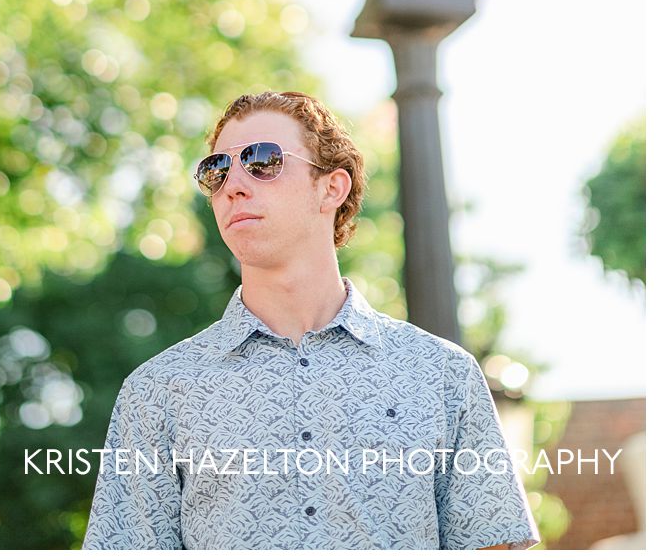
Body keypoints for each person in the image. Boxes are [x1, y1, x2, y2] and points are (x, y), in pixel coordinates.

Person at [82, 90, 538, 550]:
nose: (234, 184)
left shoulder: (442, 374)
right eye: (217, 170)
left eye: (261, 160)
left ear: (331, 188)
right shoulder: (157, 392)